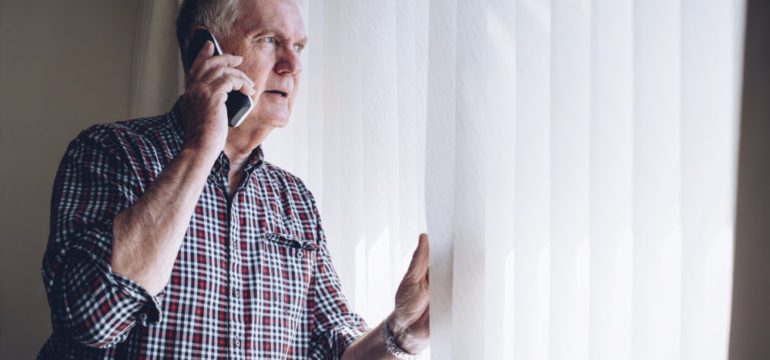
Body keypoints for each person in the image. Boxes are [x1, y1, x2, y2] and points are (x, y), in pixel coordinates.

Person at [38, 0, 429, 358]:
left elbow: (335, 347)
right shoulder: (111, 150)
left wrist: (399, 334)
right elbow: (91, 320)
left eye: (300, 46)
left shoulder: (295, 199)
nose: (292, 65)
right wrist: (200, 149)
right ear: (203, 50)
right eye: (269, 40)